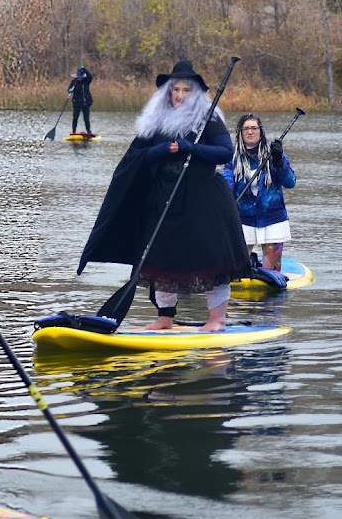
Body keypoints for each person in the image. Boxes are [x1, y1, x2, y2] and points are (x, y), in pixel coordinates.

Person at [77, 60, 249, 331]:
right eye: (175, 90)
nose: (179, 95)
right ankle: (165, 317)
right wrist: (160, 152)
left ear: (195, 93)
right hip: (164, 198)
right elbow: (136, 158)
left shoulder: (209, 118)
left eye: (185, 90)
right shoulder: (156, 120)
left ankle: (216, 319)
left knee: (211, 259)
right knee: (159, 259)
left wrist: (189, 148)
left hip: (203, 199)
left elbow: (225, 152)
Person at [222, 114, 296, 271]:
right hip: (243, 218)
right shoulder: (233, 158)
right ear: (240, 133)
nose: (250, 132)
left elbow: (290, 182)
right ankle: (251, 263)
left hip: (272, 218)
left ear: (260, 132)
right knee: (235, 269)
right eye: (246, 129)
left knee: (272, 270)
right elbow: (226, 184)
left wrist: (279, 162)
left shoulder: (274, 154)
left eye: (254, 128)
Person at [68, 66, 94, 136]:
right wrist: (70, 90)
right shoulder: (74, 82)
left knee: (86, 118)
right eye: (78, 76)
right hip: (76, 103)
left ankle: (89, 131)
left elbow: (90, 76)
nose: (79, 78)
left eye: (81, 76)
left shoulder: (86, 81)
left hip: (86, 103)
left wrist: (84, 69)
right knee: (75, 118)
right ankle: (73, 131)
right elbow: (69, 89)